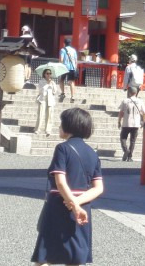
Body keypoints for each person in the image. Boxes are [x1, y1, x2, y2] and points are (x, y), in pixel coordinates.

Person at [32, 107, 104, 266]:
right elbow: (98, 188)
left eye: (61, 123)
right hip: (83, 207)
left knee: (46, 254)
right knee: (75, 256)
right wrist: (77, 204)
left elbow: (60, 182)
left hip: (59, 204)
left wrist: (73, 204)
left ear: (68, 126)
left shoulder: (63, 148)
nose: (59, 126)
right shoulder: (92, 153)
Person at [117, 86, 145, 162]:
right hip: (136, 124)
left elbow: (121, 112)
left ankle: (126, 150)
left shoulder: (125, 101)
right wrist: (143, 121)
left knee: (123, 138)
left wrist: (119, 121)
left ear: (129, 92)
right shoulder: (140, 101)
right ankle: (129, 157)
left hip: (126, 123)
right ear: (136, 93)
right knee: (133, 141)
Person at [35, 68, 59, 136]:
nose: (49, 75)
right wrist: (47, 85)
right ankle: (37, 129)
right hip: (43, 99)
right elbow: (41, 91)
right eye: (47, 73)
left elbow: (55, 91)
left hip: (50, 99)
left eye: (50, 73)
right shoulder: (41, 81)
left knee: (50, 115)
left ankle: (48, 130)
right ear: (44, 74)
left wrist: (52, 84)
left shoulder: (53, 82)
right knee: (40, 115)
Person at [58, 37, 78, 103]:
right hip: (72, 68)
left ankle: (63, 93)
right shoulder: (74, 50)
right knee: (72, 82)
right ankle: (72, 96)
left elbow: (61, 59)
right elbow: (76, 60)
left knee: (61, 80)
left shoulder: (63, 50)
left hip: (64, 67)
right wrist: (75, 68)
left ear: (64, 43)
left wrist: (60, 66)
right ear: (70, 43)